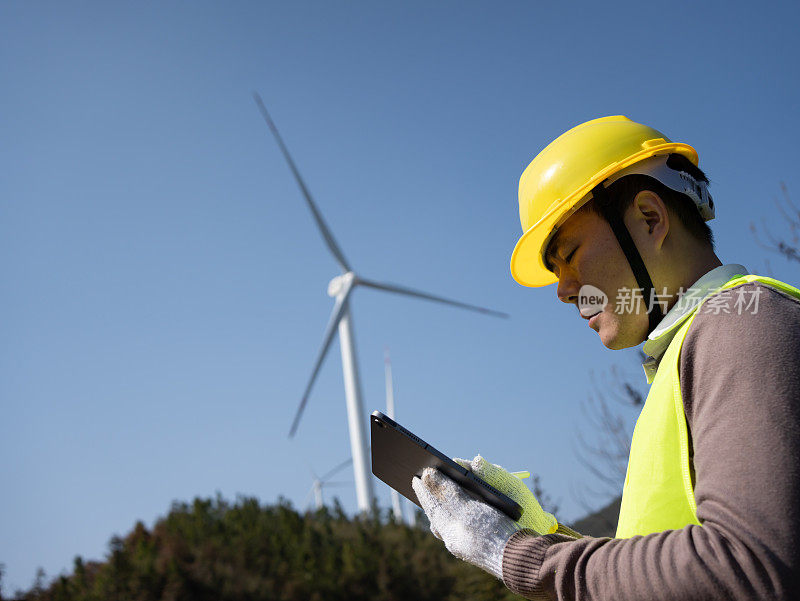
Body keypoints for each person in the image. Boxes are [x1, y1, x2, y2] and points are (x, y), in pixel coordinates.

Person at [411, 116, 800, 600]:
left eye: (570, 254)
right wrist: (540, 532)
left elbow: (749, 566)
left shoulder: (745, 323)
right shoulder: (692, 352)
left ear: (650, 219)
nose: (563, 291)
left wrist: (517, 554)